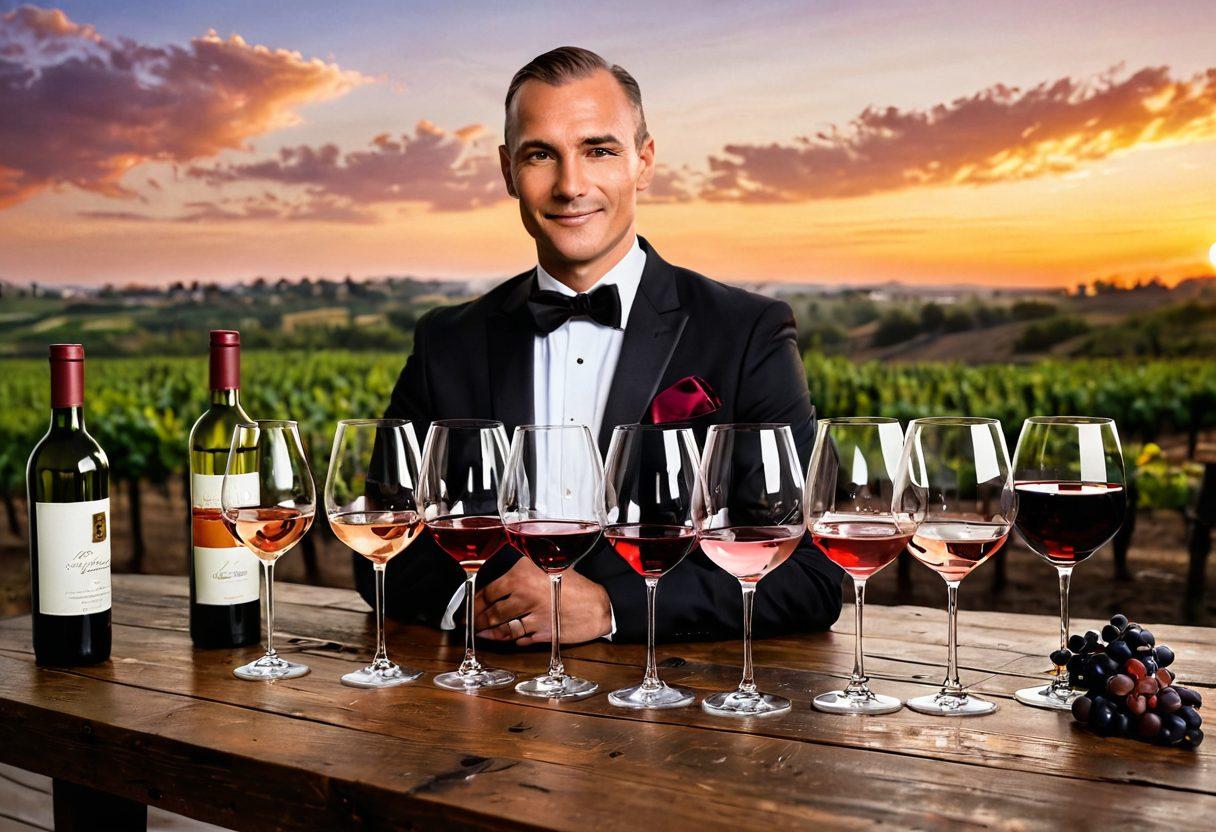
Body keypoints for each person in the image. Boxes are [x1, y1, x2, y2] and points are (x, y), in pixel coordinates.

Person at [354, 46, 842, 644]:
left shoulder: (748, 333)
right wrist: (476, 603)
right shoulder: (445, 341)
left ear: (644, 161)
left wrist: (613, 608)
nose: (570, 185)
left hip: (675, 713)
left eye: (599, 150)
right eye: (541, 155)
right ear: (508, 171)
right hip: (476, 706)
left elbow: (811, 576)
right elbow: (379, 544)